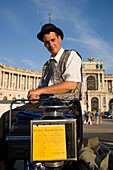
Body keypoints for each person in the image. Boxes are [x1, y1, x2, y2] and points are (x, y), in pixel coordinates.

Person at [0, 23, 82, 170]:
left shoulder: (71, 56)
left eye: (53, 40)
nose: (51, 44)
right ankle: (6, 162)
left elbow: (71, 85)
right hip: (44, 104)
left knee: (8, 117)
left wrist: (41, 91)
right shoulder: (46, 65)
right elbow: (43, 88)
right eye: (47, 42)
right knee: (7, 117)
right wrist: (34, 94)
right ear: (44, 44)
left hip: (64, 105)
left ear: (60, 38)